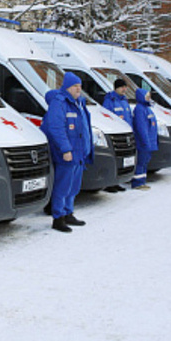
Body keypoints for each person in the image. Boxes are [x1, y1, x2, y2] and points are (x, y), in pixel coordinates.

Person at [42, 72, 93, 233]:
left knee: (73, 186)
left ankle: (68, 213)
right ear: (67, 87)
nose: (79, 89)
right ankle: (58, 218)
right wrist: (65, 149)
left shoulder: (79, 103)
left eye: (80, 86)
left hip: (79, 153)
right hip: (67, 153)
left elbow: (85, 128)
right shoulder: (60, 103)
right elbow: (56, 128)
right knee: (62, 186)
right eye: (75, 86)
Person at [101, 79, 132, 193]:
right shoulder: (110, 101)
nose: (124, 89)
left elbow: (129, 118)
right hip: (115, 135)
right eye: (122, 87)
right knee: (115, 158)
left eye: (125, 87)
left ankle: (117, 182)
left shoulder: (124, 101)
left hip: (126, 134)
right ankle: (110, 184)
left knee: (123, 159)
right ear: (116, 88)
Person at [130, 88, 158, 190]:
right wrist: (145, 141)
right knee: (141, 162)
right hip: (143, 142)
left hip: (150, 141)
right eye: (147, 96)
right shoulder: (139, 109)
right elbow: (141, 127)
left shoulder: (148, 108)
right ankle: (137, 182)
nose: (149, 98)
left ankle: (142, 180)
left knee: (145, 161)